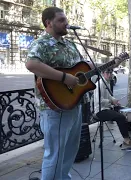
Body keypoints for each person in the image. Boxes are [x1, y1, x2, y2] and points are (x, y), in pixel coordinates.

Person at [25, 7, 92, 180]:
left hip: (73, 103)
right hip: (55, 107)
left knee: (70, 150)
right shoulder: (41, 43)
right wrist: (64, 78)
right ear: (48, 23)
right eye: (61, 20)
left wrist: (96, 71)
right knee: (54, 154)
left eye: (65, 19)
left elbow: (79, 72)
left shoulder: (70, 44)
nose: (66, 23)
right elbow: (32, 64)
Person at [93, 69, 131, 146]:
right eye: (107, 72)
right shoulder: (99, 84)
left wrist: (114, 100)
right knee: (120, 117)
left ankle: (130, 136)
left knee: (128, 112)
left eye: (110, 73)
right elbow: (98, 101)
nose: (109, 75)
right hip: (100, 111)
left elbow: (109, 96)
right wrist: (110, 102)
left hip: (108, 108)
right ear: (102, 73)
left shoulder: (106, 82)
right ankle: (126, 139)